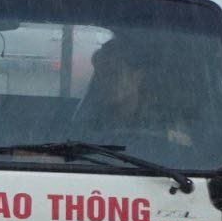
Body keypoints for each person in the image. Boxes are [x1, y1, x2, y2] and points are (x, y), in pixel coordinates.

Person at [70, 33, 200, 151]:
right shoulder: (89, 120)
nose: (105, 81)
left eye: (114, 73)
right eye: (101, 74)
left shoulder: (164, 121)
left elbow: (182, 154)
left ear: (137, 77)